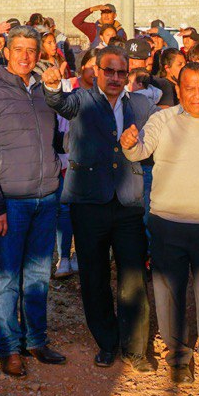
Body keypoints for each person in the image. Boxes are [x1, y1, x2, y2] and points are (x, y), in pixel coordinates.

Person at [121, 62, 199, 383]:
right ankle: (178, 355)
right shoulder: (162, 120)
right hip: (168, 222)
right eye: (188, 88)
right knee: (168, 291)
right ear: (178, 90)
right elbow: (141, 151)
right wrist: (129, 145)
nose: (196, 95)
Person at [44, 46, 156, 371]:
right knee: (94, 278)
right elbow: (59, 103)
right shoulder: (81, 99)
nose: (116, 78)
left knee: (133, 277)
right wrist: (52, 86)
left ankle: (135, 348)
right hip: (88, 203)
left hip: (128, 204)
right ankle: (107, 342)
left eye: (122, 72)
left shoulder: (141, 104)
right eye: (110, 71)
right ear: (96, 69)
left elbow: (160, 135)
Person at [0, 25, 66, 377]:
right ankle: (8, 347)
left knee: (38, 275)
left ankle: (36, 340)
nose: (25, 56)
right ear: (6, 51)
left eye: (31, 50)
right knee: (7, 278)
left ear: (39, 54)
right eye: (18, 49)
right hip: (10, 202)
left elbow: (61, 136)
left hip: (46, 198)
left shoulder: (43, 92)